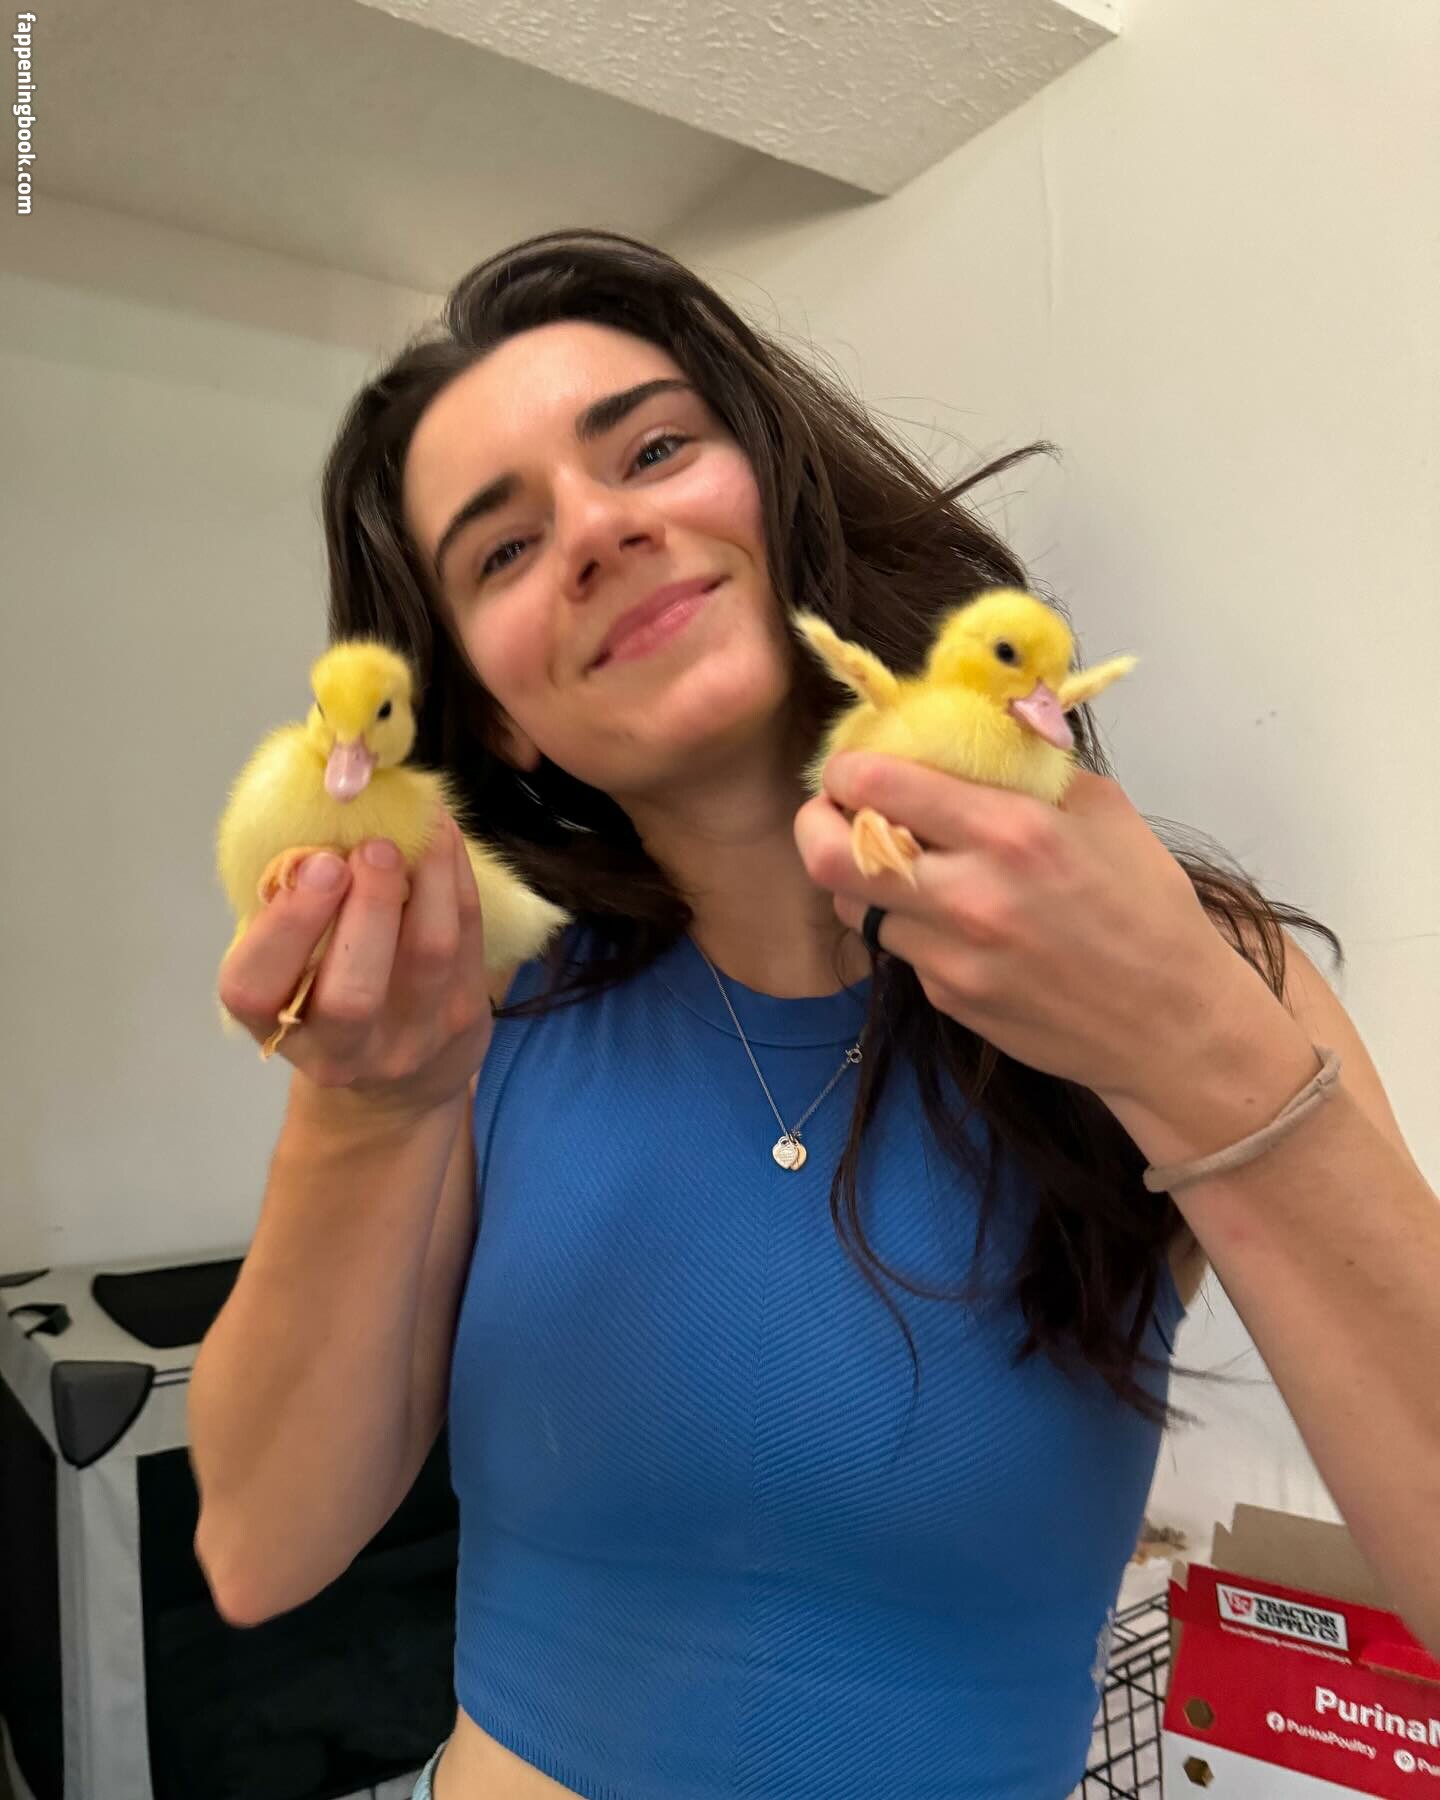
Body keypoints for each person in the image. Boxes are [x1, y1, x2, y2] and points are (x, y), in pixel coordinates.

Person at [191, 229, 1434, 1799]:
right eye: (502, 550)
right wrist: (363, 1111)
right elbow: (257, 1548)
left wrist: (1196, 1044)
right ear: (497, 715)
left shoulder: (1194, 968)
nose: (599, 529)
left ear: (782, 493)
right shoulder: (485, 1011)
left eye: (652, 449)